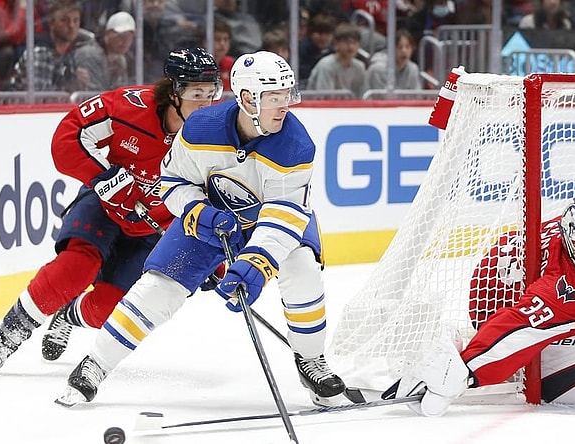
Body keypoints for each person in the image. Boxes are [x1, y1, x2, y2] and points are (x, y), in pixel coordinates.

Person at [55, 51, 353, 409]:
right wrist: (197, 212)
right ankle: (96, 364)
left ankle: (310, 360)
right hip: (212, 218)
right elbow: (173, 181)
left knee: (302, 267)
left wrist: (255, 264)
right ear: (246, 99)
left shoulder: (296, 145)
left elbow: (285, 217)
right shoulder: (200, 128)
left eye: (287, 95)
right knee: (159, 286)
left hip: (271, 224)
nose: (284, 106)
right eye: (273, 98)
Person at [0, 47, 222, 376]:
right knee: (75, 268)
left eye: (211, 93)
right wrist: (104, 177)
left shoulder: (216, 136)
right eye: (195, 93)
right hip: (105, 205)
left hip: (151, 227)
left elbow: (217, 198)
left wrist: (210, 257)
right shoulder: (127, 107)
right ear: (173, 92)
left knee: (107, 310)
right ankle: (6, 337)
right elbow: (67, 137)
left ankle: (68, 315)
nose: (205, 103)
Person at [390, 194, 575, 416]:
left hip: (516, 250)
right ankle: (454, 348)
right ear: (569, 244)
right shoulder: (563, 292)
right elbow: (515, 330)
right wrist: (465, 373)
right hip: (494, 288)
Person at [6, 0, 93, 92]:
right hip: (19, 105)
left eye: (76, 20)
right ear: (51, 23)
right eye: (64, 20)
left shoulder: (70, 53)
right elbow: (40, 96)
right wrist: (71, 87)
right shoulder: (40, 52)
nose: (71, 25)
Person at [74, 11, 136, 91]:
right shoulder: (89, 54)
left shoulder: (123, 58)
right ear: (107, 33)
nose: (125, 41)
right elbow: (93, 93)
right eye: (120, 35)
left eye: (129, 36)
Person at [306, 22, 367, 99]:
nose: (351, 47)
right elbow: (324, 98)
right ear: (336, 43)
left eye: (354, 43)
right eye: (346, 42)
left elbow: (363, 96)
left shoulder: (359, 66)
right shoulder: (326, 65)